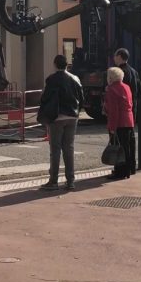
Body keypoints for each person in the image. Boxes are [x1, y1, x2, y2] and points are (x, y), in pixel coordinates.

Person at [38, 54, 84, 192]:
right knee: (69, 148)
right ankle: (70, 181)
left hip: (57, 118)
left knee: (55, 149)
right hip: (72, 117)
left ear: (55, 64)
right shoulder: (75, 78)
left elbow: (45, 98)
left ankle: (53, 181)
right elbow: (81, 97)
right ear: (67, 65)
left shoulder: (51, 79)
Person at [104, 66, 135, 180]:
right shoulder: (127, 87)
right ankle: (129, 169)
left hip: (119, 122)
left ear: (111, 77)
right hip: (129, 120)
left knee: (118, 148)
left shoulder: (111, 89)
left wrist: (112, 127)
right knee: (127, 147)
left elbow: (113, 110)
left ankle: (120, 171)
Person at [113, 48, 140, 175]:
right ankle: (131, 167)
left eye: (115, 55)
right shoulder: (134, 71)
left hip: (121, 112)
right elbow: (139, 91)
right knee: (130, 140)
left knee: (121, 142)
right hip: (132, 109)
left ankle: (122, 169)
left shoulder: (119, 73)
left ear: (119, 56)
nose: (114, 58)